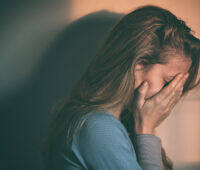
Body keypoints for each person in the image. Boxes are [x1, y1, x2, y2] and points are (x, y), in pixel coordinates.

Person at [41, 5, 200, 170]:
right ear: (138, 64)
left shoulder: (116, 122)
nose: (171, 95)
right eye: (168, 82)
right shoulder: (98, 127)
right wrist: (146, 128)